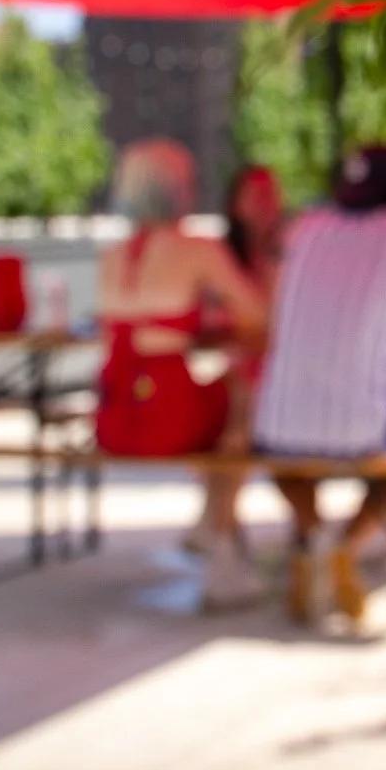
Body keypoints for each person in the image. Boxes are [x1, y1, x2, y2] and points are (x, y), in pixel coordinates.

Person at [253, 146, 386, 624]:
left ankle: (314, 536)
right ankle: (346, 549)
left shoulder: (306, 226)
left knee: (284, 455)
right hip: (365, 422)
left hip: (279, 421)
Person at [94, 139, 267, 607]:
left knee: (228, 407)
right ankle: (222, 543)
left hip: (115, 416)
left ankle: (213, 530)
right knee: (242, 410)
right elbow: (258, 313)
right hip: (166, 413)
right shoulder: (197, 249)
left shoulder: (111, 257)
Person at [183, 165, 285, 563]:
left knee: (236, 425)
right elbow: (212, 321)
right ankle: (221, 529)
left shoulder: (289, 249)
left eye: (270, 193)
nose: (265, 204)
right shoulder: (221, 254)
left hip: (279, 375)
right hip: (241, 369)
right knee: (226, 419)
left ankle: (217, 527)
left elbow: (272, 322)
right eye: (254, 194)